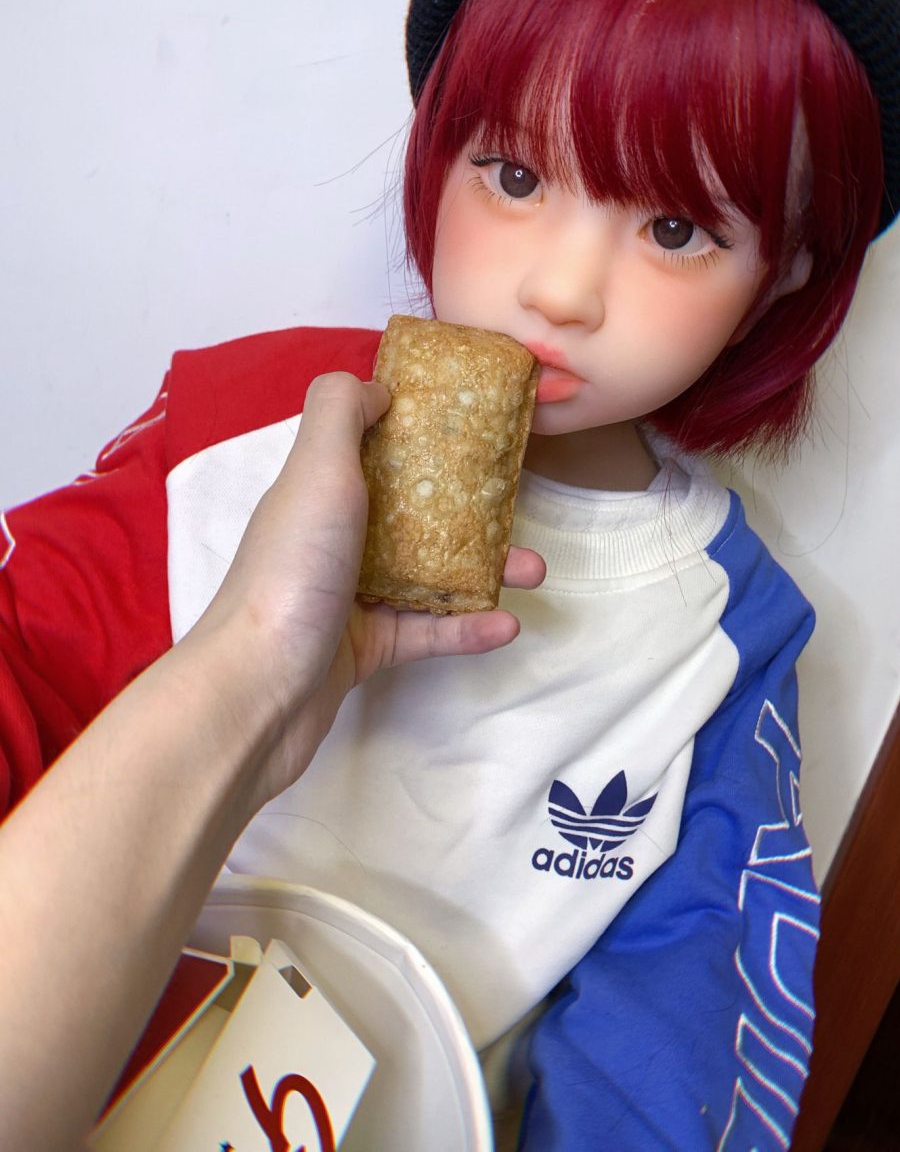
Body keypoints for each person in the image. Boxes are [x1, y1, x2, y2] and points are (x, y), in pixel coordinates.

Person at [0, 0, 900, 1149]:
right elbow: (31, 659)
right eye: (513, 175)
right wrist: (248, 657)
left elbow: (669, 1040)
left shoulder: (725, 638)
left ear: (784, 268)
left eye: (676, 230)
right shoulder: (241, 426)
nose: (559, 289)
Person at [0, 373, 545, 1151]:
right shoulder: (236, 430)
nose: (565, 307)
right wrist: (256, 653)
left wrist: (260, 668)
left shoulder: (719, 622)